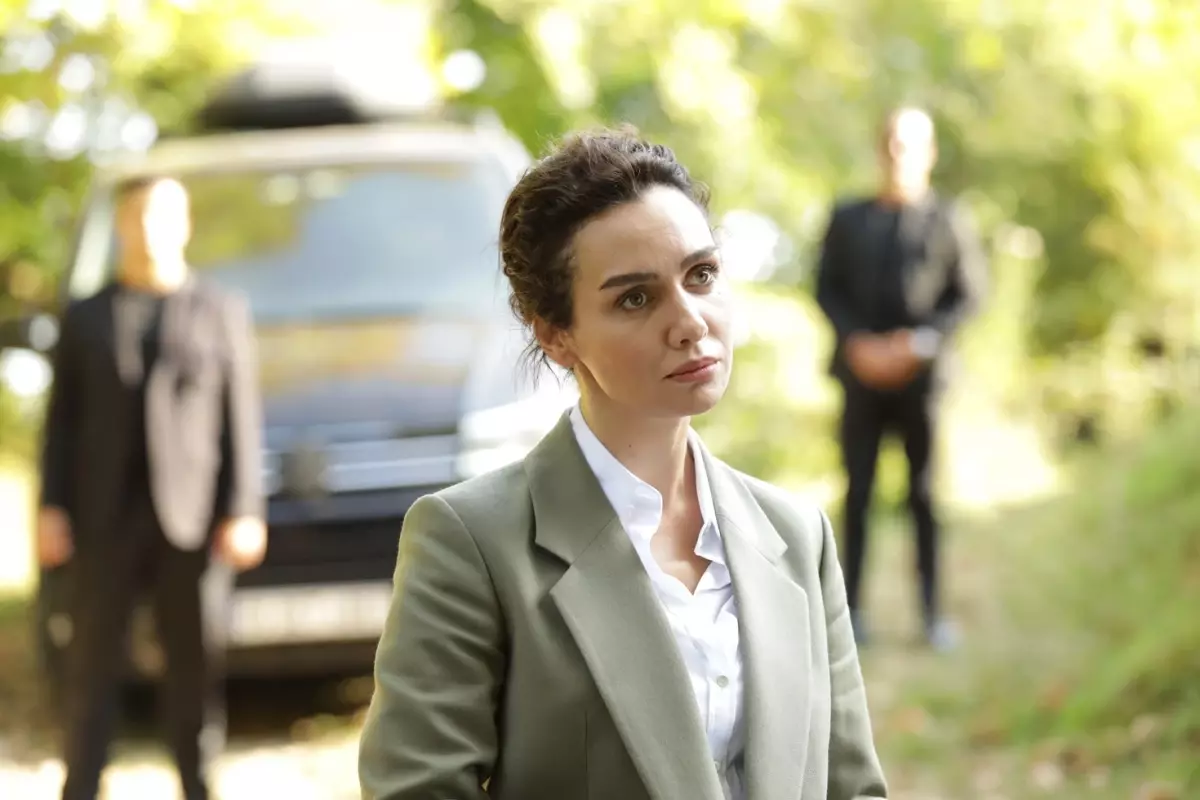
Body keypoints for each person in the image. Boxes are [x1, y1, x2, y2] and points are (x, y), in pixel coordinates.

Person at [358, 129, 888, 800]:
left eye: (701, 275)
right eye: (635, 298)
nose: (690, 322)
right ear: (556, 335)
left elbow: (851, 788)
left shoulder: (797, 534)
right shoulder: (471, 543)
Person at [37, 175, 267, 800]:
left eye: (162, 216)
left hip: (191, 521)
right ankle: (82, 784)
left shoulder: (219, 310)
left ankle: (197, 784)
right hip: (101, 519)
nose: (149, 229)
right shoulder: (85, 316)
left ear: (184, 225)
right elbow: (60, 424)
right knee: (90, 665)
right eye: (137, 217)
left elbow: (240, 419)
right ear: (121, 226)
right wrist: (51, 508)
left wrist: (244, 509)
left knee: (194, 664)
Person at [815, 107, 988, 651]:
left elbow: (969, 296)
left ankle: (932, 615)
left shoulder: (950, 219)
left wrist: (920, 343)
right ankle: (850, 613)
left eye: (909, 144)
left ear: (928, 154)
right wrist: (858, 343)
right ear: (879, 149)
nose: (898, 154)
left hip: (923, 385)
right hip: (860, 380)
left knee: (925, 496)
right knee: (857, 495)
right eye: (891, 142)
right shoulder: (847, 217)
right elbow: (825, 288)